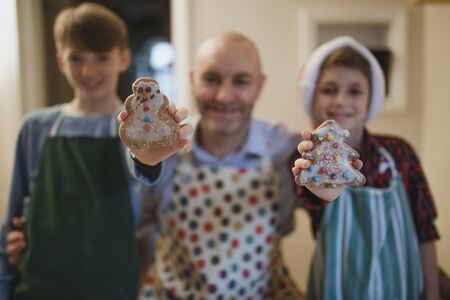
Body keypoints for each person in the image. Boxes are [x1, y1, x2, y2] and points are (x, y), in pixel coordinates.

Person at [0, 3, 192, 300]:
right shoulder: (34, 128)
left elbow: (146, 176)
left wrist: (146, 161)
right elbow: (12, 220)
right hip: (38, 289)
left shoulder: (137, 133)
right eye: (76, 58)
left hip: (114, 289)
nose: (89, 71)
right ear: (61, 62)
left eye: (101, 57)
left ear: (123, 58)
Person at [119, 31, 312, 299]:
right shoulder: (164, 147)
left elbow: (327, 216)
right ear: (192, 80)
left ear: (259, 85)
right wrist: (144, 165)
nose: (224, 96)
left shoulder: (287, 147)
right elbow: (129, 223)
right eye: (211, 79)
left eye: (241, 81)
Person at [292, 36, 440, 300]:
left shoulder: (400, 152)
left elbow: (425, 228)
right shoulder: (305, 158)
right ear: (311, 97)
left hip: (402, 288)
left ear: (371, 98)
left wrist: (432, 293)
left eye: (355, 90)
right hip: (336, 289)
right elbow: (312, 203)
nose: (340, 100)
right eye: (328, 89)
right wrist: (323, 191)